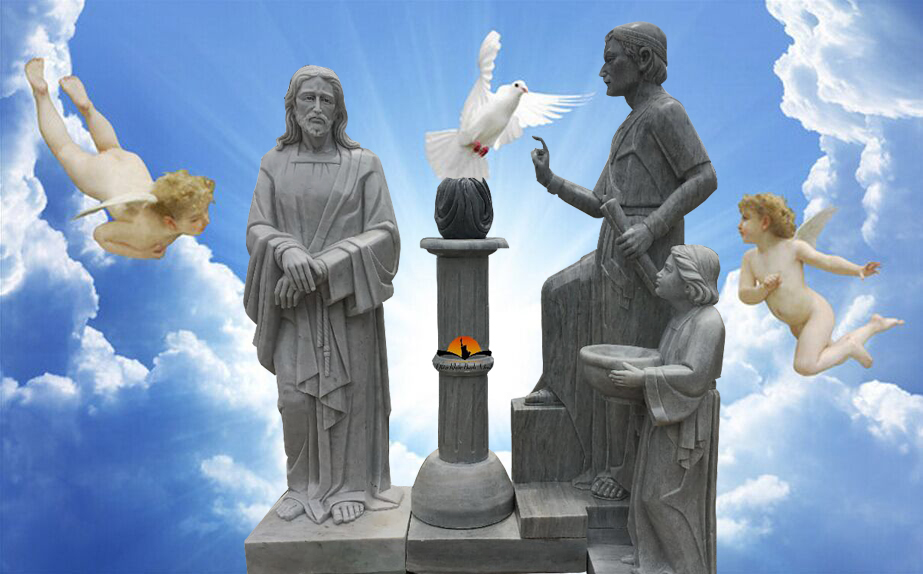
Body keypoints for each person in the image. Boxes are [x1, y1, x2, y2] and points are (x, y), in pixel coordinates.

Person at [525, 22, 717, 501]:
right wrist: (551, 181)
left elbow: (704, 178)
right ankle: (560, 386)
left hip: (647, 256)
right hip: (614, 244)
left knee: (621, 353)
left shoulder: (666, 113)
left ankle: (621, 468)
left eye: (612, 59)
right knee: (558, 291)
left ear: (644, 61)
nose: (603, 70)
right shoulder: (629, 124)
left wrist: (652, 228)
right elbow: (598, 202)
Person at [244, 65, 402, 525]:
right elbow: (257, 227)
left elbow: (385, 233)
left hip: (345, 301)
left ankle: (350, 486)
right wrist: (286, 249)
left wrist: (325, 265)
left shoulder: (363, 164)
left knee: (350, 396)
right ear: (292, 107)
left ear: (338, 111)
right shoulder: (274, 163)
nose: (316, 108)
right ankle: (302, 485)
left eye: (325, 100)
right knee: (294, 399)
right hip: (293, 306)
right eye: (307, 99)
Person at [24, 58, 213, 259]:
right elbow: (100, 235)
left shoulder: (175, 216)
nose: (206, 221)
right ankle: (41, 93)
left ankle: (87, 107)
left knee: (111, 148)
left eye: (204, 212)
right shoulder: (144, 235)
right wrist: (142, 253)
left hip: (129, 163)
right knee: (64, 148)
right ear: (170, 223)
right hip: (100, 176)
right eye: (196, 219)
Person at [609, 244, 724, 574]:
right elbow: (667, 360)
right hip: (666, 415)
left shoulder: (708, 323)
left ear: (690, 284)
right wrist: (645, 367)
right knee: (647, 493)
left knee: (664, 497)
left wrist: (644, 378)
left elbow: (695, 375)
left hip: (686, 419)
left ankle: (688, 568)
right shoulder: (681, 318)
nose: (659, 274)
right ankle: (652, 558)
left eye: (669, 269)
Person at [738, 193, 903, 375]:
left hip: (815, 314)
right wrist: (763, 289)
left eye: (745, 218)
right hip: (796, 323)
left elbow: (827, 261)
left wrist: (858, 270)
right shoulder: (749, 259)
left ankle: (850, 346)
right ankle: (874, 326)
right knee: (831, 353)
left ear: (765, 222)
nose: (739, 225)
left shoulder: (793, 248)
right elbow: (745, 295)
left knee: (805, 365)